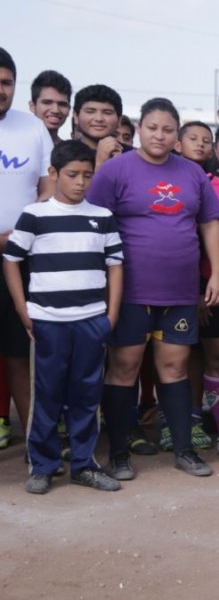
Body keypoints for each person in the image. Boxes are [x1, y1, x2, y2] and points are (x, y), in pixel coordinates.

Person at [87, 97, 219, 481]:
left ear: (176, 136)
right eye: (152, 128)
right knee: (125, 367)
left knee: (174, 368)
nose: (159, 136)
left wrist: (215, 274)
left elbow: (210, 223)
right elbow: (95, 223)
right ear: (139, 128)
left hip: (180, 292)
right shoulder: (115, 171)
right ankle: (117, 453)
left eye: (167, 130)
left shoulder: (193, 174)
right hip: (128, 291)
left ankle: (184, 449)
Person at [3, 139, 123, 494]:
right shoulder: (34, 215)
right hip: (48, 321)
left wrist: (111, 315)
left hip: (91, 320)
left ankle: (84, 464)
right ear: (53, 173)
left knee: (87, 394)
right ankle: (43, 465)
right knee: (47, 393)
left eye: (87, 175)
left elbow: (116, 266)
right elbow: (11, 260)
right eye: (72, 175)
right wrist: (22, 308)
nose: (81, 182)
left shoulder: (102, 217)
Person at [0, 47, 55, 447]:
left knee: (21, 351)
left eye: (6, 83)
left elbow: (46, 188)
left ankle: (37, 443)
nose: (1, 90)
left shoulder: (31, 128)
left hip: (19, 258)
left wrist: (16, 237)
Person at [72, 84, 127, 170]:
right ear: (76, 117)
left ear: (119, 120)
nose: (99, 119)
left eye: (107, 112)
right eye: (90, 111)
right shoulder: (62, 153)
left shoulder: (134, 156)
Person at [28, 70, 71, 144]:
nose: (55, 110)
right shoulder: (14, 144)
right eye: (47, 102)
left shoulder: (70, 153)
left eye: (62, 104)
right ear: (32, 106)